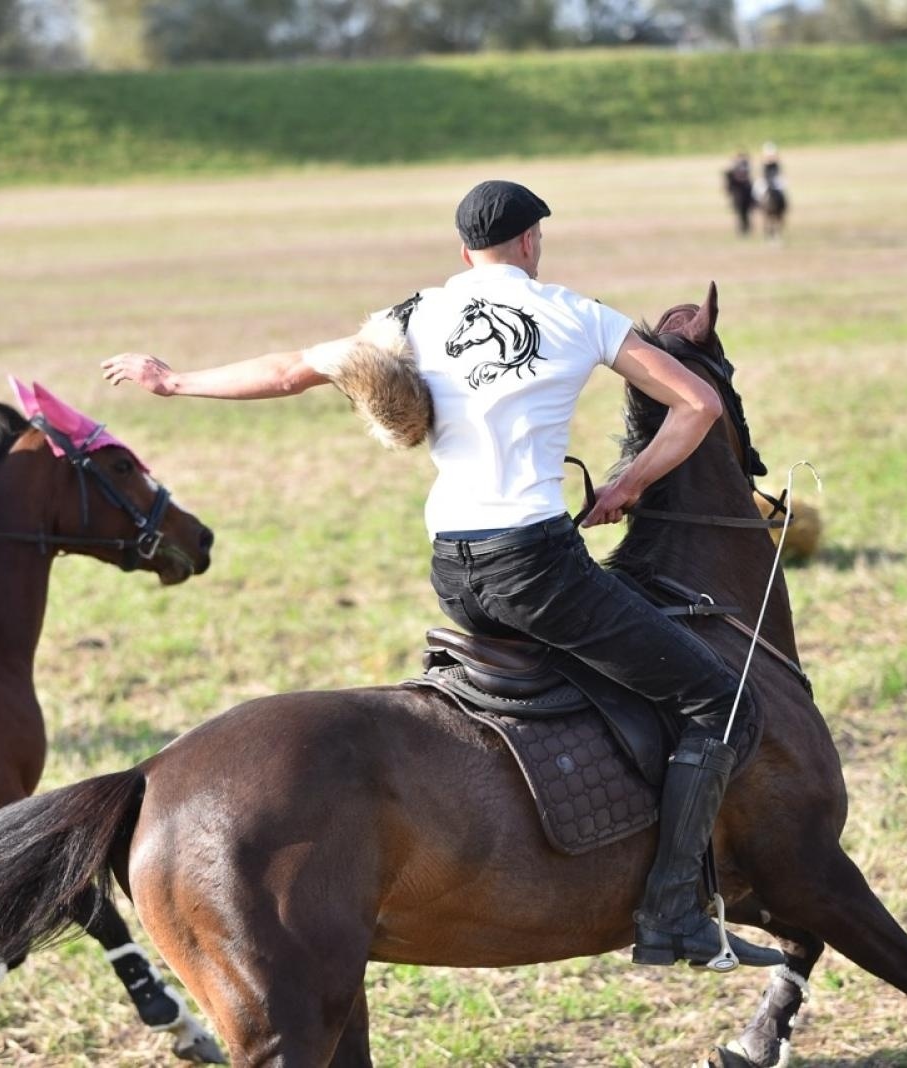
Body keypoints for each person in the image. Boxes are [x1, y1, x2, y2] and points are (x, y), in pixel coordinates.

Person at [99, 181, 783, 972]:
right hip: (537, 568)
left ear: (465, 254)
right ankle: (672, 913)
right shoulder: (576, 314)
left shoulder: (412, 315)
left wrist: (173, 380)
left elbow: (291, 369)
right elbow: (696, 404)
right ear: (531, 243)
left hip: (455, 572)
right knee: (717, 698)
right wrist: (629, 485)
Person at [723, 150, 756, 236]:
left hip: (745, 190)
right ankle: (742, 229)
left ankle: (746, 227)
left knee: (746, 212)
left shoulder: (745, 165)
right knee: (740, 213)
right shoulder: (734, 168)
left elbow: (747, 177)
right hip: (738, 192)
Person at [759, 142, 788, 241]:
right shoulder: (765, 164)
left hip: (775, 182)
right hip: (767, 182)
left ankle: (783, 206)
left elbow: (779, 174)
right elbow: (763, 175)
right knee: (759, 191)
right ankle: (758, 205)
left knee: (782, 190)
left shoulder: (776, 164)